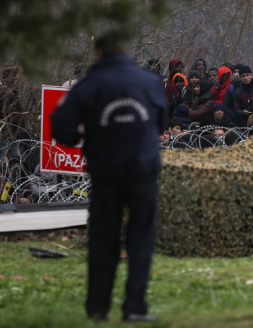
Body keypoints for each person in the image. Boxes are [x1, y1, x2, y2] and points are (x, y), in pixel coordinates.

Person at [51, 34, 167, 322]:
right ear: (126, 51)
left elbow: (60, 125)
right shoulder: (148, 81)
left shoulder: (89, 85)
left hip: (106, 169)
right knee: (141, 237)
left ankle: (98, 307)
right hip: (143, 169)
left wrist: (83, 135)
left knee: (104, 238)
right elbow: (162, 121)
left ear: (99, 52)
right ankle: (135, 306)